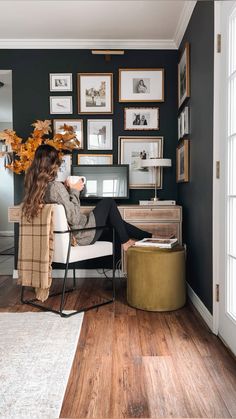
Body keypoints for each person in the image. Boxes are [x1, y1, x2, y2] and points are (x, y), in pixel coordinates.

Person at [22, 144, 152, 251]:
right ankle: (126, 242)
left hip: (72, 234)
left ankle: (150, 237)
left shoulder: (37, 187)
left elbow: (65, 208)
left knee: (115, 222)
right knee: (108, 202)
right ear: (52, 165)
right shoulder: (55, 187)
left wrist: (66, 189)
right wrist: (75, 190)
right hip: (81, 235)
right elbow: (74, 218)